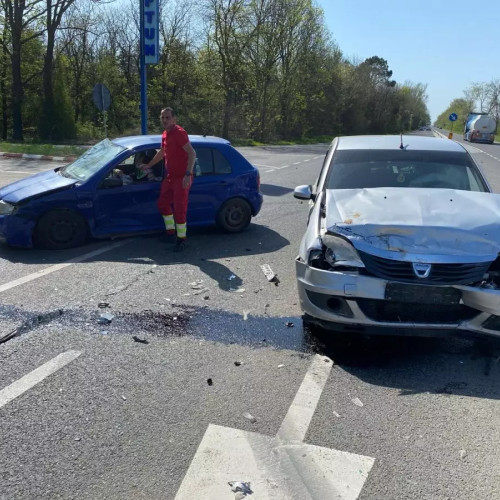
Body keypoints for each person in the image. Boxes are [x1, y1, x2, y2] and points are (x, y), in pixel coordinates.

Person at [141, 107, 196, 252]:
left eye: (168, 117)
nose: (165, 120)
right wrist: (149, 165)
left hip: (181, 178)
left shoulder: (179, 133)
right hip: (170, 177)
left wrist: (187, 174)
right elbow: (163, 153)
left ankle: (181, 240)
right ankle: (170, 232)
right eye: (163, 117)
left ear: (174, 119)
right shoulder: (165, 134)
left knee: (179, 209)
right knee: (163, 204)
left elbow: (192, 153)